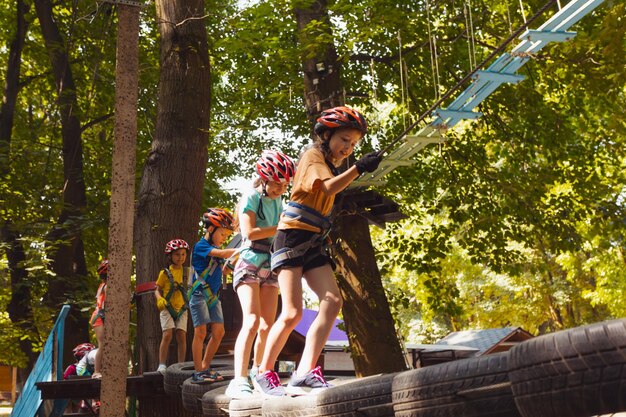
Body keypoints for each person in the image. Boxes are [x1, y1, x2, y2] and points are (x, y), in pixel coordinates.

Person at [254, 106, 381, 396]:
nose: (347, 148)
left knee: (332, 300)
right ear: (326, 135)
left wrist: (356, 167)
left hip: (313, 240)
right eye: (344, 140)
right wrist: (359, 167)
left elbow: (333, 188)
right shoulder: (313, 156)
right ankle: (263, 372)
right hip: (292, 237)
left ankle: (304, 372)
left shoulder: (333, 165)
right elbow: (326, 189)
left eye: (353, 145)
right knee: (292, 313)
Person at [225, 150, 296, 398]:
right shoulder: (251, 197)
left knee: (268, 324)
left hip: (271, 264)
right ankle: (239, 378)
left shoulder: (279, 201)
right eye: (277, 183)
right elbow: (250, 232)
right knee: (252, 321)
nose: (280, 188)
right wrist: (281, 227)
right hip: (250, 261)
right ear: (265, 179)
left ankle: (259, 371)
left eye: (284, 185)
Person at [189, 208, 237, 383]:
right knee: (200, 332)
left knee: (219, 332)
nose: (224, 238)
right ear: (210, 230)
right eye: (223, 234)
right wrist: (242, 248)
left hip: (213, 296)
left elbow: (224, 266)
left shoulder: (216, 249)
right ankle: (198, 371)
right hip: (199, 294)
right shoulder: (201, 246)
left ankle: (205, 367)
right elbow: (223, 253)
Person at [155, 239, 190, 374]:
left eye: (183, 254)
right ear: (170, 256)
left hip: (182, 308)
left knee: (181, 336)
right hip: (167, 307)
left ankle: (181, 364)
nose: (180, 257)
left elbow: (192, 288)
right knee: (167, 335)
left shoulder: (188, 272)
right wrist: (159, 299)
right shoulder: (164, 273)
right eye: (177, 254)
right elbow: (157, 289)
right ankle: (162, 364)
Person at [88, 259, 108, 379]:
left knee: (106, 344)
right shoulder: (106, 286)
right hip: (99, 317)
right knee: (103, 344)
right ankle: (96, 371)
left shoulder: (103, 285)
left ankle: (103, 369)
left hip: (101, 316)